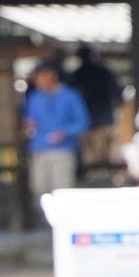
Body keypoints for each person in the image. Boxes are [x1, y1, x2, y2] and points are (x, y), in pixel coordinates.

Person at [21, 60, 89, 206]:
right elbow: (29, 119)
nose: (36, 80)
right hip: (39, 149)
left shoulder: (71, 96)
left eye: (39, 76)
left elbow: (82, 122)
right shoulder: (34, 98)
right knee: (39, 187)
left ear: (51, 76)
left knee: (62, 189)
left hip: (63, 150)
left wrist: (65, 132)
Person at [68, 43, 124, 170]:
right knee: (100, 158)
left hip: (99, 120)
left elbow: (117, 93)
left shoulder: (79, 75)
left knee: (98, 158)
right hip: (94, 121)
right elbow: (118, 94)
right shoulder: (100, 72)